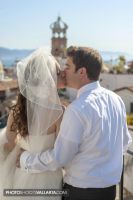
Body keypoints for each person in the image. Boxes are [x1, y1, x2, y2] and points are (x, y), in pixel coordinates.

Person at [19, 46, 132, 200]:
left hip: (81, 192)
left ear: (82, 72)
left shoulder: (77, 109)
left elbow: (60, 158)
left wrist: (25, 160)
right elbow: (125, 142)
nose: (63, 71)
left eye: (67, 66)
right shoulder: (116, 100)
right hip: (110, 191)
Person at [0, 48, 66, 200]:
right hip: (48, 177)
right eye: (56, 73)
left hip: (21, 172)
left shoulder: (17, 111)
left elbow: (8, 145)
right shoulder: (59, 113)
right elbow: (61, 151)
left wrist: (23, 148)